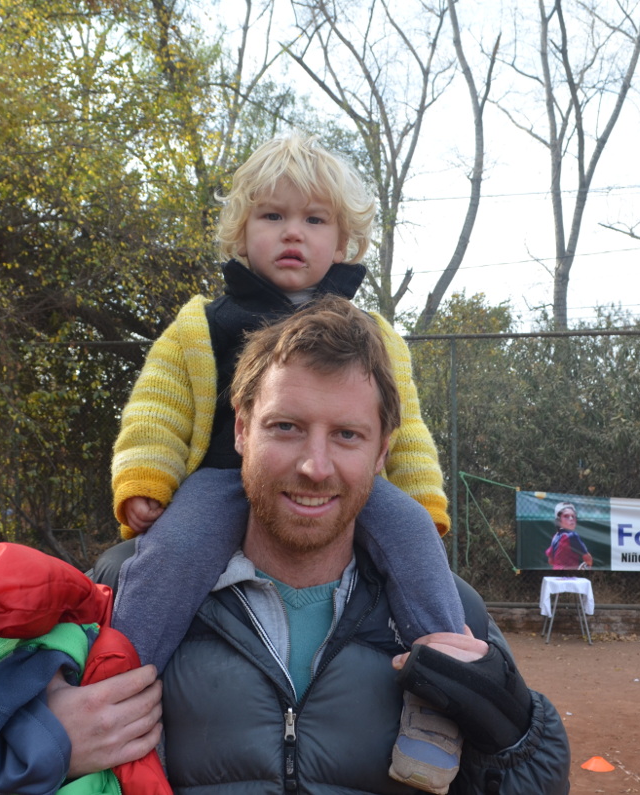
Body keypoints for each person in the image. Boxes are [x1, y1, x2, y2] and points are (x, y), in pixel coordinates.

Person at [73, 297, 572, 794]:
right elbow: (2, 748)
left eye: (347, 435)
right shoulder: (120, 590)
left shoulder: (457, 608)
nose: (315, 466)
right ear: (242, 430)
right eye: (285, 427)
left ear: (382, 451)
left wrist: (512, 734)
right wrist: (52, 740)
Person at [108, 134, 465, 790]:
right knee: (164, 557)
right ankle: (116, 695)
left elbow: (404, 426)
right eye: (272, 216)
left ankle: (443, 699)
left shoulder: (378, 334)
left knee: (416, 540)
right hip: (220, 481)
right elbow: (157, 406)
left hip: (348, 490)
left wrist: (422, 498)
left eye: (314, 219)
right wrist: (145, 476)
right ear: (242, 233)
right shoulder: (201, 323)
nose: (292, 233)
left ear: (345, 240)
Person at [545, 501, 593, 570]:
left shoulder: (555, 536)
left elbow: (551, 561)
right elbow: (588, 560)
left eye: (573, 516)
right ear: (559, 521)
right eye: (566, 516)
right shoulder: (572, 535)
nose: (571, 519)